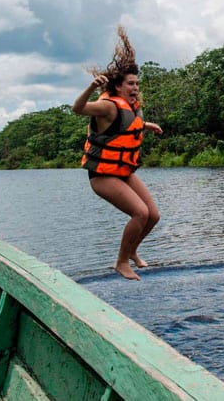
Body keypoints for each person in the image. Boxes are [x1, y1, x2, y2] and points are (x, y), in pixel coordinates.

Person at [73, 26, 163, 281]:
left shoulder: (130, 108)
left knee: (153, 216)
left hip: (123, 171)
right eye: (130, 84)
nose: (135, 88)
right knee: (140, 213)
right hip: (102, 175)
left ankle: (132, 252)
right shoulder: (106, 105)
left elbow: (123, 127)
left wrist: (146, 125)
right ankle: (121, 262)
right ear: (119, 86)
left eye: (137, 83)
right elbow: (77, 109)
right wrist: (91, 87)